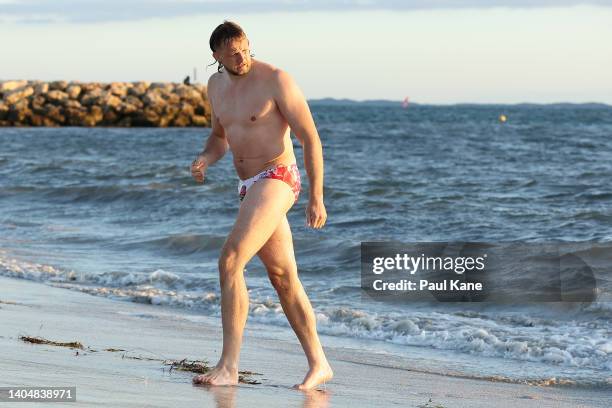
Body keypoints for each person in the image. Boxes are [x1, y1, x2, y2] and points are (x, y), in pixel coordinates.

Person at [190, 20, 333, 390]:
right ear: (216, 57)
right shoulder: (215, 87)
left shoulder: (276, 79)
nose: (242, 58)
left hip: (278, 177)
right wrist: (206, 158)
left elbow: (310, 139)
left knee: (230, 259)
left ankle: (228, 366)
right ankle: (320, 363)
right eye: (232, 54)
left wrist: (316, 196)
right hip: (247, 185)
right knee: (283, 277)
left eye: (245, 49)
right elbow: (220, 137)